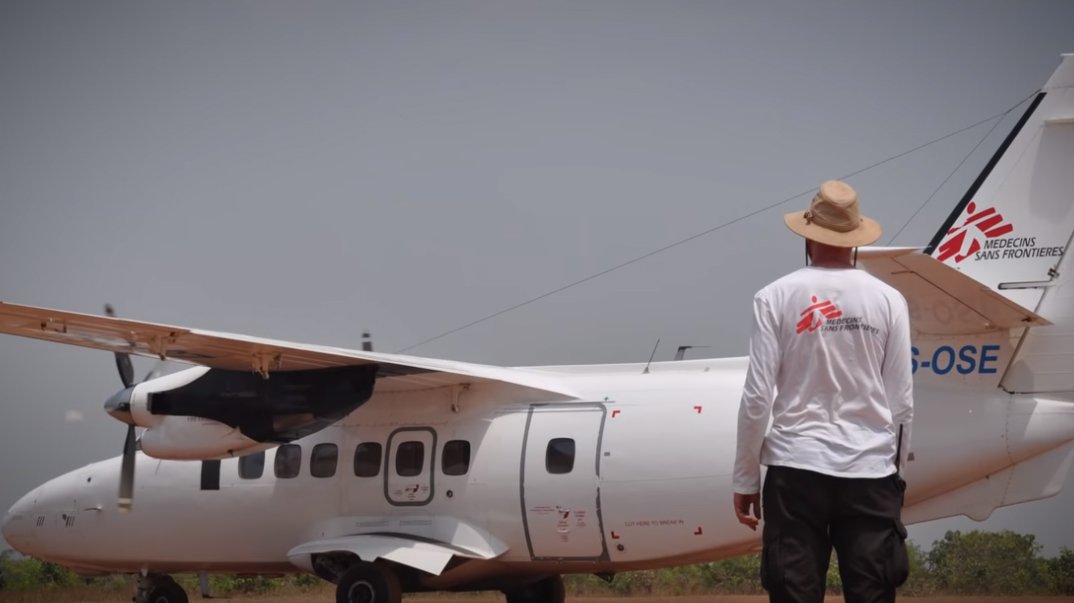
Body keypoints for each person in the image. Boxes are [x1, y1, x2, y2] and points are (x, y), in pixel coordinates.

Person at [732, 180, 914, 603]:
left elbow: (758, 396)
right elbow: (901, 401)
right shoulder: (889, 300)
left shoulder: (773, 297)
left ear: (809, 234)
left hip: (795, 473)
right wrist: (894, 475)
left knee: (793, 592)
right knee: (873, 592)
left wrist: (745, 477)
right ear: (855, 239)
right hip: (870, 473)